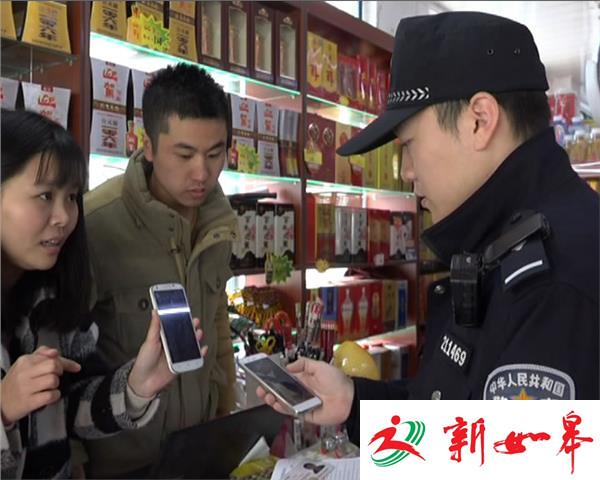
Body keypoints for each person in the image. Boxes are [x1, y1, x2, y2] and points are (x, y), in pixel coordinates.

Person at [258, 11, 599, 444]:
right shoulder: (505, 243)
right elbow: (472, 428)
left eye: (410, 144)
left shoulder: (557, 282)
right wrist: (355, 404)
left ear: (479, 120)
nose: (406, 171)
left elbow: (517, 459)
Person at [0, 110, 205, 478]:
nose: (64, 216)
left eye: (72, 197)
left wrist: (137, 387)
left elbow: (70, 408)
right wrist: (3, 408)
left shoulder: (52, 295)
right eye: (44, 195)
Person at [82, 63, 238, 477]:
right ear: (147, 145)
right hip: (122, 466)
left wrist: (226, 414)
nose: (202, 173)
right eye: (184, 155)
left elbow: (217, 320)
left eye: (215, 154)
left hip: (200, 453)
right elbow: (64, 356)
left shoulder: (218, 219)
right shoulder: (96, 225)